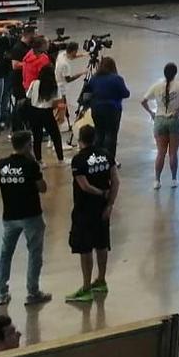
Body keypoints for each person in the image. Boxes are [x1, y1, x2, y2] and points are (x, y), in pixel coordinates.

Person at [0, 130, 51, 307]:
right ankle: (32, 291)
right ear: (28, 145)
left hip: (10, 215)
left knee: (6, 253)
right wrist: (35, 163)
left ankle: (2, 292)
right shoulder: (30, 165)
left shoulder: (1, 165)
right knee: (34, 253)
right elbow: (43, 188)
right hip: (31, 215)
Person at [66, 122, 118, 304]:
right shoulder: (106, 155)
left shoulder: (78, 160)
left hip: (84, 209)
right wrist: (109, 203)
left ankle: (86, 287)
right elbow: (116, 181)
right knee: (102, 243)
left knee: (85, 247)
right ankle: (101, 280)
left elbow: (84, 186)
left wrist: (100, 192)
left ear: (80, 140)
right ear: (95, 138)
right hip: (103, 209)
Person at [143, 63, 179, 188]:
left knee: (160, 152)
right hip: (175, 120)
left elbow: (143, 101)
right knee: (173, 153)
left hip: (160, 120)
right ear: (175, 73)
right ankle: (173, 179)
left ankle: (157, 180)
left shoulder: (156, 86)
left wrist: (151, 113)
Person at [84, 56, 129, 160]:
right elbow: (126, 93)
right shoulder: (117, 79)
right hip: (112, 109)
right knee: (111, 135)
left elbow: (87, 93)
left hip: (96, 109)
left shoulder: (94, 78)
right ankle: (109, 159)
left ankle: (97, 158)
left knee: (99, 133)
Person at [20, 62, 65, 163]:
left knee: (37, 137)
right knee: (56, 136)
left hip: (34, 112)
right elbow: (56, 102)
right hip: (47, 113)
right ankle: (60, 159)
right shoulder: (54, 86)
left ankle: (39, 160)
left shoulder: (34, 83)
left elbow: (28, 96)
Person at [54, 41, 90, 143]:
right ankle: (57, 132)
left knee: (62, 107)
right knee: (60, 111)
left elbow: (71, 57)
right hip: (60, 89)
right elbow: (68, 79)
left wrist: (83, 55)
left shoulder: (62, 55)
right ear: (74, 50)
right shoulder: (65, 65)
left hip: (58, 86)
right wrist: (82, 73)